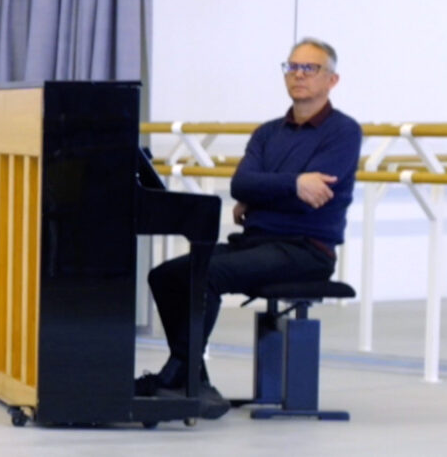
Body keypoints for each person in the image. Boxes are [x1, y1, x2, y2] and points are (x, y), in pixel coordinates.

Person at [140, 37, 361, 418]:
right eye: (292, 67)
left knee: (206, 274)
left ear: (332, 80)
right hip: (256, 242)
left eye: (309, 68)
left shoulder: (343, 132)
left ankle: (179, 375)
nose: (298, 75)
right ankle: (191, 375)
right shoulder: (267, 133)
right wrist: (294, 183)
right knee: (165, 275)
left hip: (305, 249)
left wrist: (266, 192)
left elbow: (315, 195)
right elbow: (241, 184)